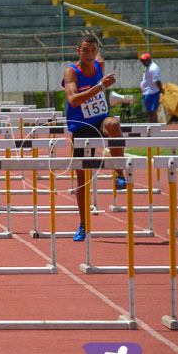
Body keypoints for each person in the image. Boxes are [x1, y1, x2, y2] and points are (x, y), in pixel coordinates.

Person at [62, 34, 127, 242]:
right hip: (80, 125)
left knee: (114, 124)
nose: (89, 54)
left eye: (92, 50)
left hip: (99, 120)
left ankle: (119, 173)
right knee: (82, 178)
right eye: (85, 50)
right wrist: (99, 87)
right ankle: (83, 224)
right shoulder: (71, 72)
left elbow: (100, 65)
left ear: (97, 51)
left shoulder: (99, 64)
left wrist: (101, 84)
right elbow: (72, 100)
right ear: (77, 50)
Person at [139, 53, 165, 123]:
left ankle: (152, 127)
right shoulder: (148, 67)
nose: (143, 62)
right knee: (150, 112)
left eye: (145, 60)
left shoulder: (153, 68)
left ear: (149, 60)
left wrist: (161, 89)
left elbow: (157, 80)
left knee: (152, 111)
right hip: (147, 92)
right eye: (142, 61)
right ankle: (153, 126)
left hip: (152, 92)